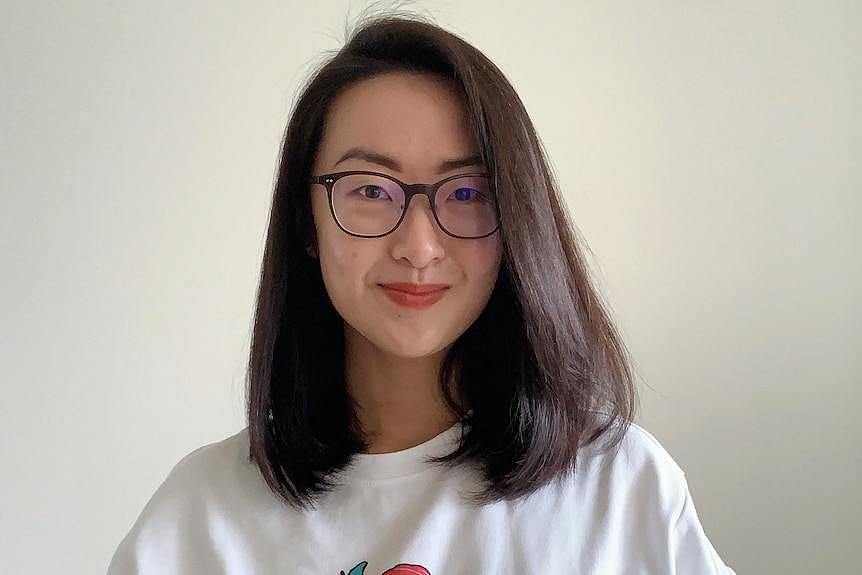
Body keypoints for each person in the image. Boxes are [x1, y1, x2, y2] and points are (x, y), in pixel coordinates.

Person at [107, 12, 737, 575]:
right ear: (308, 221)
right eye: (371, 189)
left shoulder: (621, 489)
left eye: (466, 193)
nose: (419, 246)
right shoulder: (199, 519)